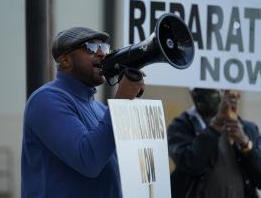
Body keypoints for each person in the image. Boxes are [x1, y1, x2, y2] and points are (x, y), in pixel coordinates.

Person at [21, 27, 145, 197]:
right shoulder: (46, 100)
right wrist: (122, 99)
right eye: (91, 48)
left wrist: (131, 102)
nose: (102, 54)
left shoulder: (100, 108)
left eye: (104, 48)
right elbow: (88, 160)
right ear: (65, 61)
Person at [167, 88, 261, 198]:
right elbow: (190, 163)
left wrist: (246, 145)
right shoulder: (182, 125)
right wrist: (214, 127)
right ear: (192, 93)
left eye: (225, 91)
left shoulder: (248, 129)